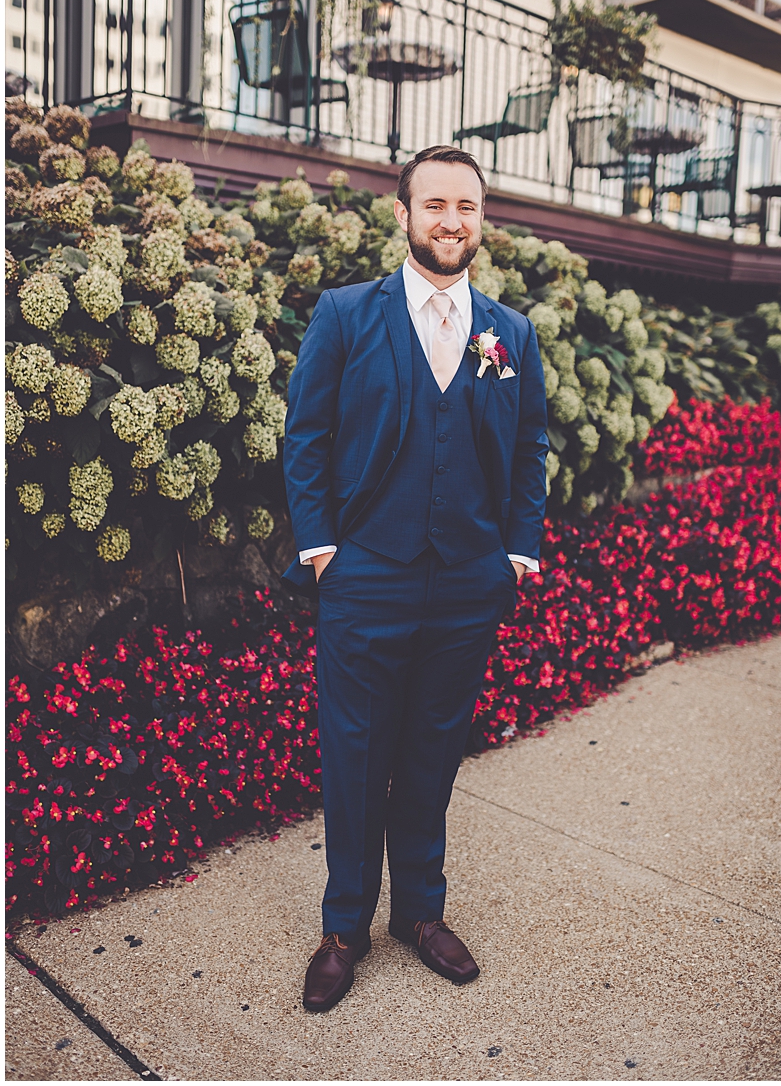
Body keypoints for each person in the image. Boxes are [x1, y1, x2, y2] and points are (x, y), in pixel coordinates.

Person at [282, 146, 548, 1012]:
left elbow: (528, 448)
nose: (451, 221)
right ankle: (343, 928)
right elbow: (307, 436)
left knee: (433, 753)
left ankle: (420, 915)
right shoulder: (346, 314)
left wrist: (515, 552)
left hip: (467, 585)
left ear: (481, 219)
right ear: (401, 214)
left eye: (466, 206)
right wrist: (323, 547)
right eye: (434, 204)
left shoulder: (510, 334)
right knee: (356, 756)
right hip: (365, 579)